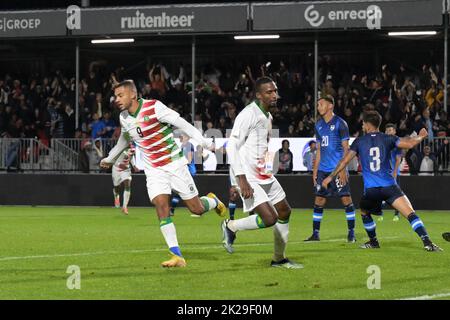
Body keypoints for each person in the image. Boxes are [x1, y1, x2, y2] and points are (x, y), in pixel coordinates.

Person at [100, 80, 226, 268]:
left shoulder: (154, 107)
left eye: (120, 95)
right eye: (116, 96)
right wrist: (110, 158)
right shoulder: (124, 118)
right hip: (154, 170)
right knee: (161, 205)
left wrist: (205, 143)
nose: (116, 99)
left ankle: (213, 201)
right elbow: (124, 140)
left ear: (133, 95)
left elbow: (183, 124)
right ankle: (176, 255)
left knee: (196, 209)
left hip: (175, 165)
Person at [322, 111, 442, 252]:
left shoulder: (359, 141)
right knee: (410, 214)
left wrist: (330, 177)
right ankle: (427, 242)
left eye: (363, 123)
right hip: (389, 187)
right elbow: (409, 144)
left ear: (367, 125)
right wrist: (421, 136)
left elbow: (344, 161)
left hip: (372, 190)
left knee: (364, 212)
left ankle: (373, 242)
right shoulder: (388, 138)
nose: (362, 125)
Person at [222, 76, 303, 269]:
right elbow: (232, 146)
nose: (274, 95)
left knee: (284, 211)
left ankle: (278, 259)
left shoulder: (267, 116)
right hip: (249, 177)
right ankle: (230, 226)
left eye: (275, 91)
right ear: (258, 95)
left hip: (263, 174)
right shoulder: (248, 114)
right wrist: (239, 180)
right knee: (270, 218)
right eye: (269, 92)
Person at [305, 96, 357, 243]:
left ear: (330, 106)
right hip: (323, 171)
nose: (318, 107)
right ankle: (315, 233)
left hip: (337, 169)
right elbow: (319, 150)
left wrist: (342, 169)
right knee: (319, 199)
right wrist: (315, 170)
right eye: (317, 104)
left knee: (346, 199)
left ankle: (351, 233)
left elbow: (347, 149)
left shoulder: (341, 124)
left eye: (321, 104)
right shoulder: (319, 125)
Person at [378, 123, 402, 222]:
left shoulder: (397, 142)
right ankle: (380, 214)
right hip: (383, 173)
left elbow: (398, 159)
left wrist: (395, 172)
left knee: (396, 194)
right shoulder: (382, 142)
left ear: (394, 131)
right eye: (387, 130)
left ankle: (396, 214)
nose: (389, 132)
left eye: (391, 130)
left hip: (393, 173)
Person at [170, 132, 196, 216]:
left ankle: (198, 209)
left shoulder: (189, 145)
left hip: (189, 171)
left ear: (187, 137)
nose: (181, 137)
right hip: (184, 171)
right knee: (180, 192)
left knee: (188, 192)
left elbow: (189, 160)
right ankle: (172, 210)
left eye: (182, 136)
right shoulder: (183, 146)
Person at [112, 143, 136, 215]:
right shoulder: (118, 148)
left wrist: (134, 165)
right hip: (116, 169)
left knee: (127, 184)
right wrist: (120, 164)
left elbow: (131, 157)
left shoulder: (132, 148)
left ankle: (124, 206)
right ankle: (116, 194)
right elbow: (112, 159)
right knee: (117, 187)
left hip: (126, 169)